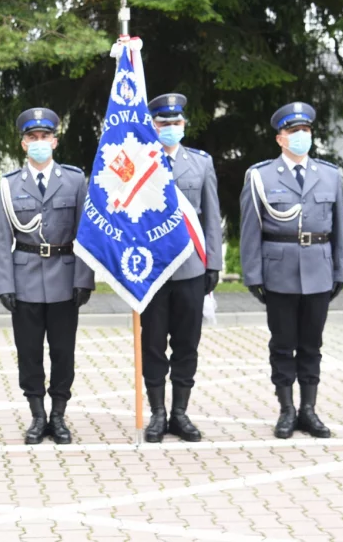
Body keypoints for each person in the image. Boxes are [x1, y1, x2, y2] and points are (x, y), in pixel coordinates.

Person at [239, 101, 343, 439]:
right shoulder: (261, 176)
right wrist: (253, 275)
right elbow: (250, 229)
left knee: (312, 344)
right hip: (280, 271)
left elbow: (338, 228)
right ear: (280, 139)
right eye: (294, 131)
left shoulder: (329, 175)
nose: (302, 136)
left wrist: (341, 271)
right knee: (283, 344)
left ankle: (309, 410)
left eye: (306, 130)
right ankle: (286, 410)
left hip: (319, 269)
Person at [0, 107, 95, 445]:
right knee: (29, 353)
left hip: (66, 279)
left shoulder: (75, 179)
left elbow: (86, 232)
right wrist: (4, 284)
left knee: (64, 352)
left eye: (44, 137)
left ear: (55, 140)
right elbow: (1, 239)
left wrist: (84, 278)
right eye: (32, 138)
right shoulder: (9, 186)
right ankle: (37, 416)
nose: (39, 143)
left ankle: (59, 416)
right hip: (24, 282)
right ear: (23, 144)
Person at [140, 93, 223, 443]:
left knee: (187, 344)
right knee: (154, 344)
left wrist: (213, 264)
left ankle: (180, 412)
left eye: (175, 123)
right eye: (163, 123)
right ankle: (158, 413)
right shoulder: (139, 163)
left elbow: (211, 216)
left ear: (184, 125)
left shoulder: (201, 163)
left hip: (191, 269)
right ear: (153, 126)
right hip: (153, 270)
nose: (170, 128)